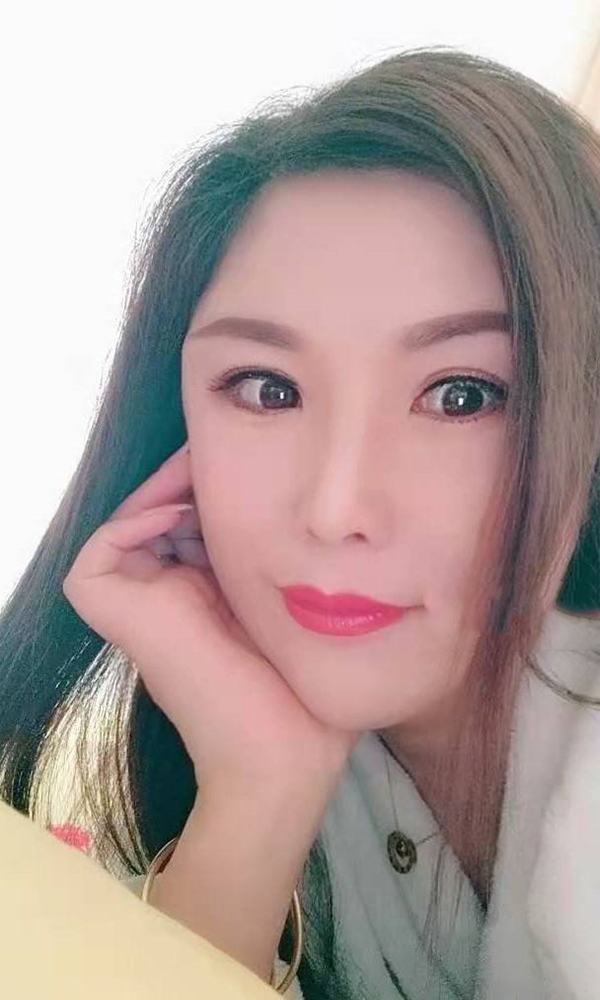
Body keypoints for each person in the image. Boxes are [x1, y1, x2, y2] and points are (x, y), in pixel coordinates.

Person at [0, 45, 599, 1000]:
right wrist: (258, 797)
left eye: (462, 395)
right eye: (267, 389)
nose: (334, 510)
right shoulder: (269, 735)